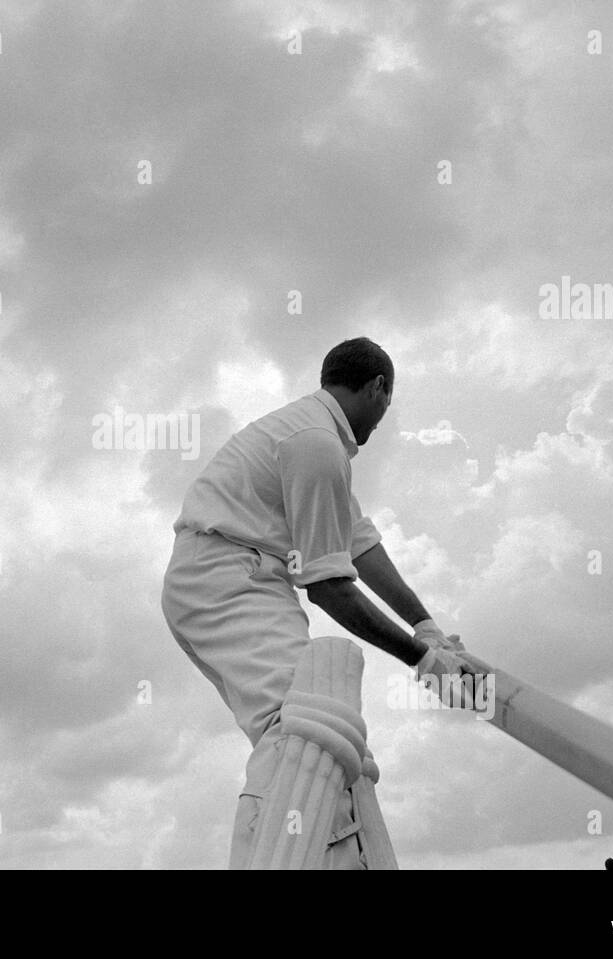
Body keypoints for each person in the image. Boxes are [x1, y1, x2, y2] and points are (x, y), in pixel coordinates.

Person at [160, 336, 472, 868]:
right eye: (386, 405)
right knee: (303, 734)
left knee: (309, 732)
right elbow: (327, 586)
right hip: (228, 577)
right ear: (377, 387)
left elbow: (359, 545)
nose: (381, 420)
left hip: (228, 576)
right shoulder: (314, 443)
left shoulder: (311, 435)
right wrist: (422, 661)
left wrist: (427, 627)